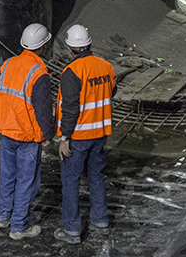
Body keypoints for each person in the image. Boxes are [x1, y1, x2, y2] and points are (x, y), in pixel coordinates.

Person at [53, 24, 116, 244]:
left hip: (78, 136)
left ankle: (72, 230)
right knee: (96, 177)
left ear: (70, 48)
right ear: (89, 44)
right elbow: (111, 91)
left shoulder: (71, 72)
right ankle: (101, 222)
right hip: (100, 133)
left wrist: (64, 138)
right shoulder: (106, 66)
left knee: (70, 181)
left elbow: (70, 108)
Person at [0, 22, 54, 240]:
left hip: (7, 132)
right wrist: (47, 135)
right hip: (27, 136)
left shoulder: (9, 64)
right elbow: (43, 110)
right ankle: (19, 227)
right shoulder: (39, 72)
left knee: (7, 176)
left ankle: (2, 217)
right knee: (26, 182)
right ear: (43, 46)